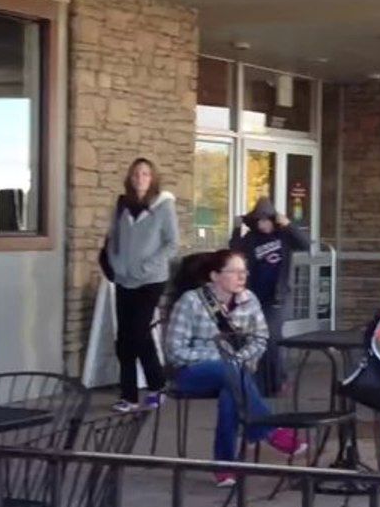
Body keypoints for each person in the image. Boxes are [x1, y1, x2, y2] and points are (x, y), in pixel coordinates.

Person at [162, 249, 307, 487]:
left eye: (244, 271)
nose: (242, 277)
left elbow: (260, 339)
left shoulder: (249, 299)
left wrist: (236, 360)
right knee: (230, 373)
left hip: (235, 373)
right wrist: (222, 357)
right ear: (215, 276)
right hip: (191, 373)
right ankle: (269, 431)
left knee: (233, 389)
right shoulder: (191, 301)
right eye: (235, 272)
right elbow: (175, 351)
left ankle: (225, 467)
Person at [101, 158, 178, 412]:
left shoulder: (163, 205)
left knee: (137, 331)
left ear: (152, 178)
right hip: (125, 279)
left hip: (151, 279)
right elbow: (113, 238)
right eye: (136, 174)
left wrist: (147, 265)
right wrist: (116, 262)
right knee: (126, 338)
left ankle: (155, 385)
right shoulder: (123, 204)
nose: (140, 178)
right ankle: (131, 395)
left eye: (145, 174)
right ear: (130, 178)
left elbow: (172, 244)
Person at [229, 197, 311, 396]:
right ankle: (264, 384)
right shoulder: (251, 239)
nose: (263, 224)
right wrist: (236, 228)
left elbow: (305, 244)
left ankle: (278, 381)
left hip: (278, 297)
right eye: (259, 220)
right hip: (256, 296)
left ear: (274, 220)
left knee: (272, 337)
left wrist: (288, 225)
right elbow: (234, 250)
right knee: (258, 338)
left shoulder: (284, 236)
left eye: (266, 220)